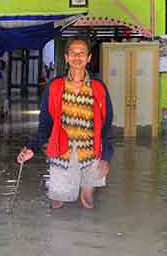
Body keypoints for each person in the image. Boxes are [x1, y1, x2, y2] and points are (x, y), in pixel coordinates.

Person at [16, 39, 114, 209]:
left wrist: (106, 157)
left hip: (92, 153)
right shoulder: (55, 86)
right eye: (73, 53)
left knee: (87, 200)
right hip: (61, 151)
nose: (77, 56)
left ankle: (90, 231)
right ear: (66, 57)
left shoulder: (98, 88)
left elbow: (106, 125)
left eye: (82, 52)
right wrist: (33, 147)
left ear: (89, 58)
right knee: (57, 201)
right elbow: (45, 121)